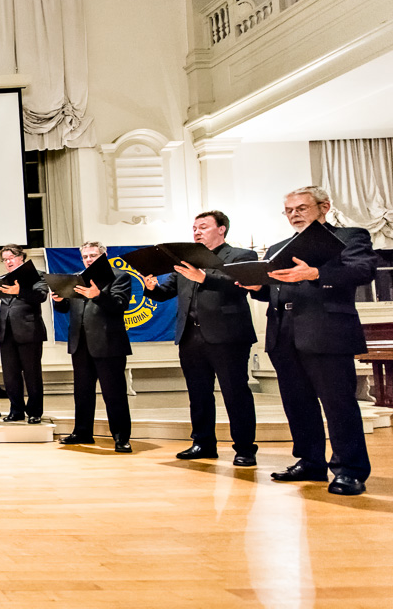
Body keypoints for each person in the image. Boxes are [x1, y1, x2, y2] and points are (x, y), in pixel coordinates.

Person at [246, 186, 378, 496]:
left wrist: (316, 274)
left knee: (339, 405)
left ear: (324, 207)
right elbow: (276, 290)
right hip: (283, 333)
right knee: (298, 404)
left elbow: (363, 271)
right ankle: (310, 461)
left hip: (327, 332)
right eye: (289, 210)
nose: (294, 215)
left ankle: (349, 471)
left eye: (301, 208)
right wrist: (257, 287)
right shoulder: (278, 247)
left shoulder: (349, 237)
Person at [142, 211, 259, 466]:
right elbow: (166, 291)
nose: (197, 231)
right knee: (198, 394)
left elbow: (240, 285)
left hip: (227, 336)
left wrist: (204, 278)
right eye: (194, 227)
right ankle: (203, 443)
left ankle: (245, 449)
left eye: (203, 227)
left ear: (222, 229)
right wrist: (151, 288)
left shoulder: (240, 255)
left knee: (235, 393)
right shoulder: (187, 260)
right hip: (190, 336)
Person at [52, 241, 134, 453]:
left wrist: (97, 295)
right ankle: (82, 432)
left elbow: (119, 305)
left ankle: (121, 437)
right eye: (85, 256)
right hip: (80, 343)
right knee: (82, 392)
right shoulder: (76, 278)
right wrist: (59, 300)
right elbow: (66, 308)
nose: (89, 259)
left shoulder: (119, 276)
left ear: (104, 256)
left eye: (93, 255)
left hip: (108, 344)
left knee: (114, 393)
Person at [0, 245, 48, 424]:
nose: (8, 262)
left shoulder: (37, 275)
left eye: (10, 258)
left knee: (32, 374)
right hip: (7, 332)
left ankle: (34, 411)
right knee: (10, 375)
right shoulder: (2, 279)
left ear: (21, 257)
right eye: (5, 259)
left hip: (29, 331)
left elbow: (41, 296)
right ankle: (16, 410)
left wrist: (19, 291)